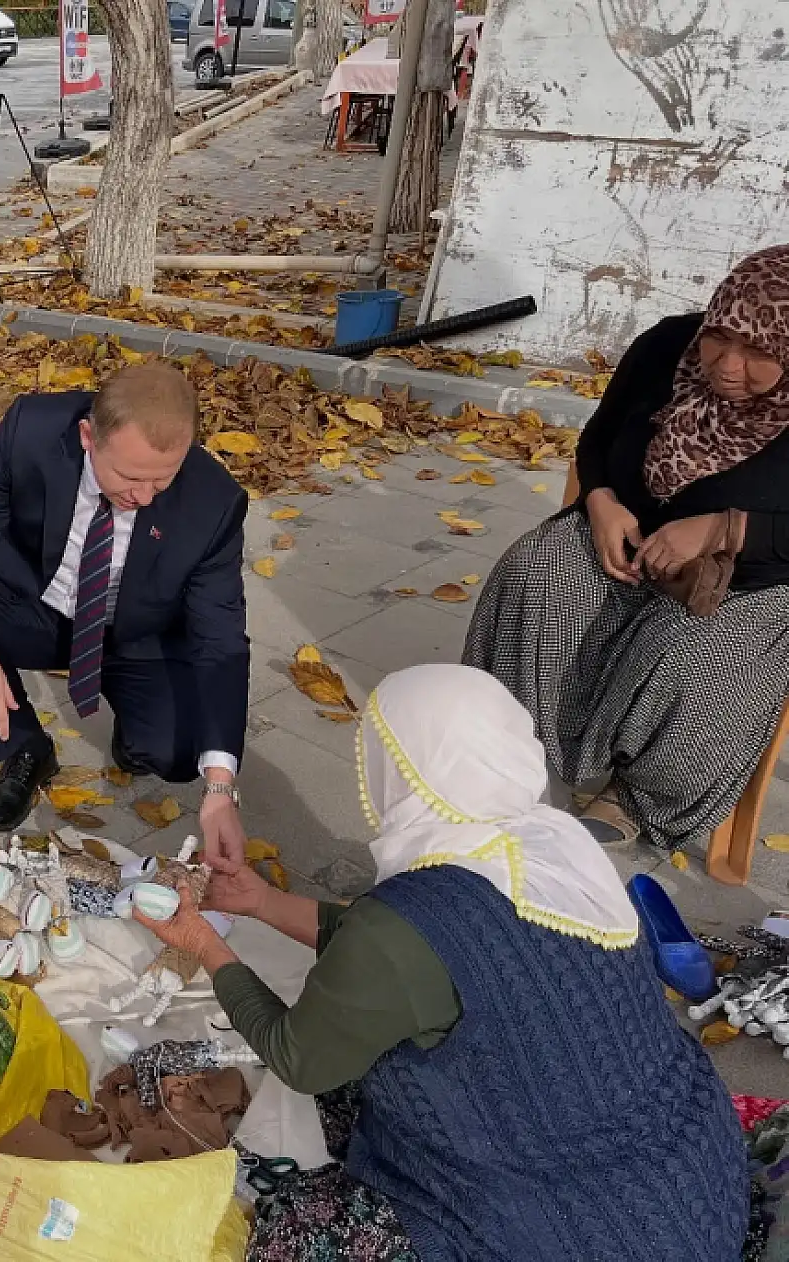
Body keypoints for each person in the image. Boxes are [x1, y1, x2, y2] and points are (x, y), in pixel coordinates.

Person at [137, 664, 749, 1261]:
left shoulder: (409, 917)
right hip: (698, 1182)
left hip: (577, 1230)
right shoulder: (559, 848)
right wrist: (261, 902)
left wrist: (202, 942)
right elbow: (402, 952)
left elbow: (299, 1058)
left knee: (289, 1235)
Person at [465, 245, 789, 849]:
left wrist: (723, 530)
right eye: (720, 336)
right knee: (538, 573)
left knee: (700, 654)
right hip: (626, 533)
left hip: (751, 576)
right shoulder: (667, 344)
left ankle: (637, 798)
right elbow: (599, 437)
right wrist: (599, 500)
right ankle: (525, 754)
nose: (727, 365)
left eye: (759, 353)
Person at [0, 362, 252, 864]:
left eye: (163, 480)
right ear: (88, 436)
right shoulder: (31, 430)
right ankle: (24, 748)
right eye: (130, 477)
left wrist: (221, 788)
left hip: (135, 635)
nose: (143, 497)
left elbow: (221, 637)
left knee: (179, 753)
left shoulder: (215, 503)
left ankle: (135, 735)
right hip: (32, 607)